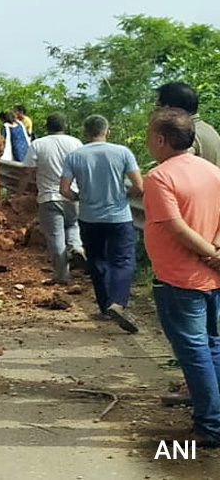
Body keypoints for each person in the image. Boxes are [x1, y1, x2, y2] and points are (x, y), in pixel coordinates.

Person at [143, 107, 220, 446]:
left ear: (161, 139)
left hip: (179, 278)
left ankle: (210, 426)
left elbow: (176, 227)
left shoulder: (160, 177)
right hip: (212, 277)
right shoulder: (212, 171)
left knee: (193, 351)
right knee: (213, 346)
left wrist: (211, 253)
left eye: (150, 137)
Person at [59, 114, 143, 333]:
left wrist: (79, 197)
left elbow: (64, 190)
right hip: (118, 217)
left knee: (97, 260)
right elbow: (139, 186)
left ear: (85, 133)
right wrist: (125, 194)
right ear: (108, 131)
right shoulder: (122, 152)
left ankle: (106, 307)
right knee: (123, 260)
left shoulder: (75, 156)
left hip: (89, 217)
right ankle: (117, 303)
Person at [23, 113, 85, 284]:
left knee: (55, 236)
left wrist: (21, 191)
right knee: (72, 225)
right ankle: (76, 247)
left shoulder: (38, 144)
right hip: (72, 195)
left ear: (46, 126)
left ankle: (62, 276)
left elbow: (27, 170)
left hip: (49, 196)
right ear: (64, 126)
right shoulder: (76, 143)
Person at [156, 82, 220, 167]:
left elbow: (177, 167)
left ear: (169, 109)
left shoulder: (186, 134)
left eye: (158, 107)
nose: (156, 114)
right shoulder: (208, 129)